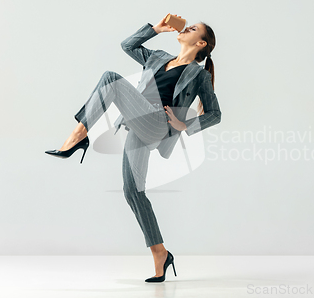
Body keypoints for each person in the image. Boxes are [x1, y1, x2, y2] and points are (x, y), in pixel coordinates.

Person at [45, 14, 222, 282]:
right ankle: (160, 252)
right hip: (137, 123)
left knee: (111, 79)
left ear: (201, 43)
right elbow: (128, 45)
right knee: (132, 191)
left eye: (193, 29)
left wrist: (185, 126)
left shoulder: (198, 75)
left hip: (159, 123)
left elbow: (215, 114)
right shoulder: (158, 57)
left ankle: (78, 135)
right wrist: (156, 29)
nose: (186, 28)